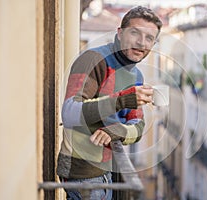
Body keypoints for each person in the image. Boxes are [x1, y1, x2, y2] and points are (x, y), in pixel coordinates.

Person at [56, 6, 163, 200]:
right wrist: (122, 100)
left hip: (107, 172)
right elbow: (69, 113)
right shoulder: (93, 59)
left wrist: (118, 131)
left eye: (149, 38)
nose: (141, 42)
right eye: (135, 33)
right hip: (81, 173)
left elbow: (138, 126)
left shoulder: (136, 74)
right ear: (120, 33)